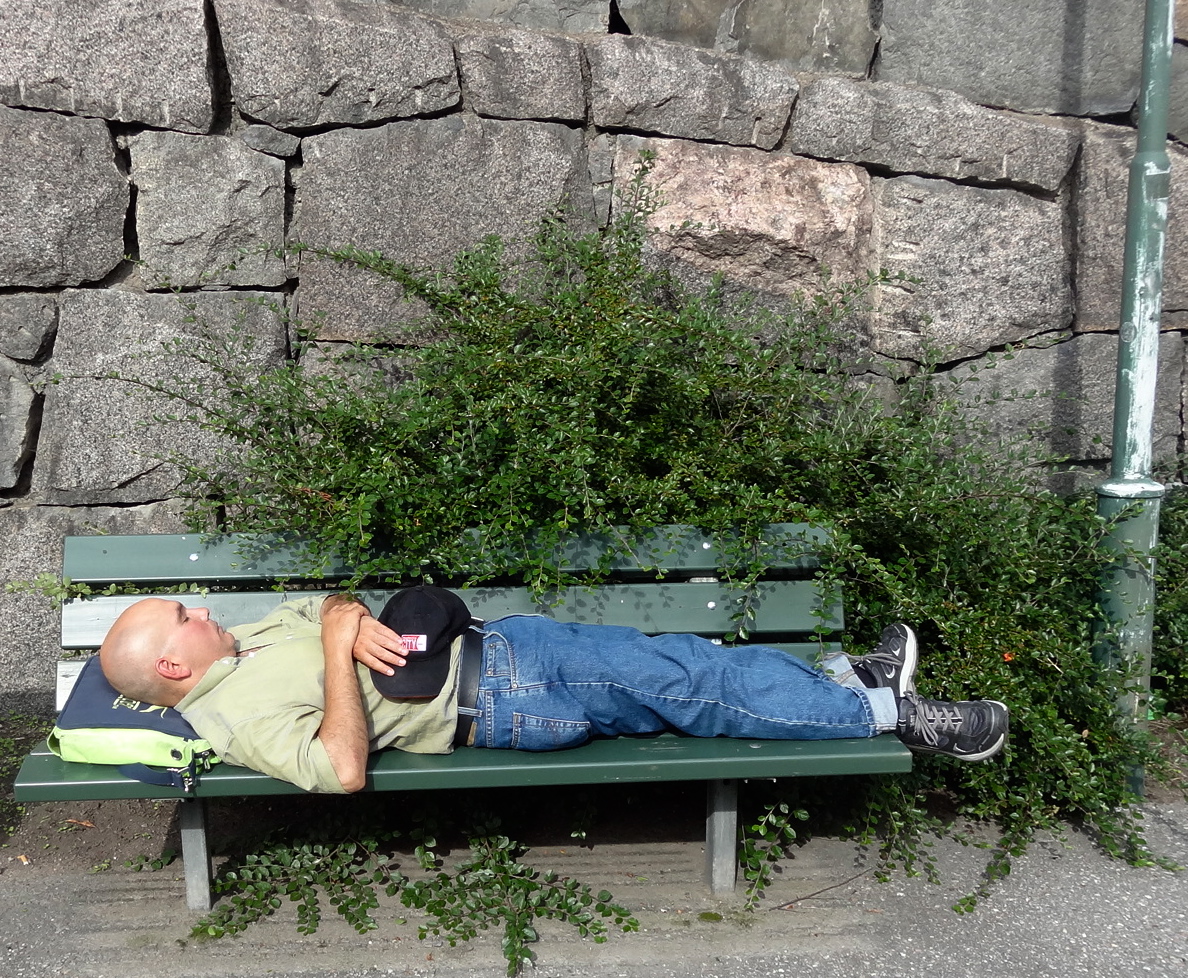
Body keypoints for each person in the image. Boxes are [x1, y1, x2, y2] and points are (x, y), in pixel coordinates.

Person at [99, 592, 1009, 793]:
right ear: (174, 667)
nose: (202, 606)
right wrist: (340, 647)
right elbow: (340, 769)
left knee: (689, 661)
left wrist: (340, 613)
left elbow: (323, 606)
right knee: (695, 683)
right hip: (501, 698)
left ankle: (849, 687)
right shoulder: (233, 710)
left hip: (501, 650)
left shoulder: (241, 645)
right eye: (183, 612)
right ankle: (903, 718)